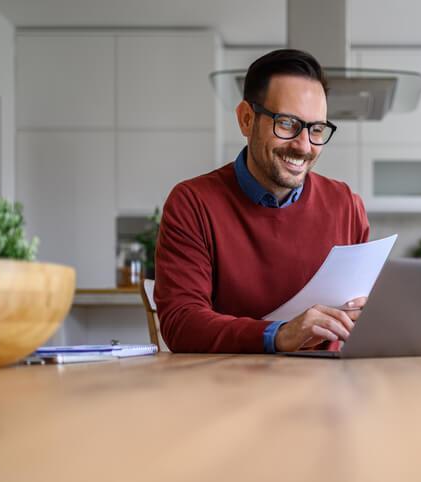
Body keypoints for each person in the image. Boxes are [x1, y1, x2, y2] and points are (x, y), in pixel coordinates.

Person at [154, 49, 370, 353]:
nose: (304, 146)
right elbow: (182, 323)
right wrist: (280, 335)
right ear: (246, 119)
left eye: (316, 129)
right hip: (226, 390)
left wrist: (370, 314)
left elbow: (363, 314)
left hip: (328, 390)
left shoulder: (346, 205)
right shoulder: (193, 203)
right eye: (287, 124)